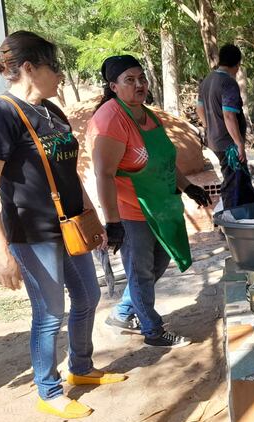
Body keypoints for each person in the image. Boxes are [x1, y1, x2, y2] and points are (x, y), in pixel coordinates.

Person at [0, 31, 126, 419]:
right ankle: (48, 389)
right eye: (55, 67)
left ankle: (81, 367)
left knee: (88, 296)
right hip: (31, 233)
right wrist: (1, 250)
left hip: (72, 227)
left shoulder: (53, 112)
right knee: (50, 313)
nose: (61, 75)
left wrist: (94, 216)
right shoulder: (4, 114)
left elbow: (68, 172)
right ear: (29, 68)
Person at [88, 55, 211, 348]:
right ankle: (153, 330)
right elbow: (104, 174)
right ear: (114, 86)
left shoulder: (147, 114)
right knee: (141, 272)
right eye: (130, 80)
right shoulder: (111, 119)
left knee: (159, 262)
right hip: (133, 210)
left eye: (141, 78)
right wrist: (113, 223)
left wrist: (188, 187)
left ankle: (122, 313)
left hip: (161, 208)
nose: (139, 84)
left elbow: (163, 161)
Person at [197, 44, 254, 209]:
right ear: (237, 64)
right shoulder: (228, 83)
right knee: (233, 185)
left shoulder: (206, 81)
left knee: (243, 182)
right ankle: (230, 225)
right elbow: (229, 115)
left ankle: (251, 219)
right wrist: (239, 143)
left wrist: (210, 127)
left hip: (215, 140)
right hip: (229, 145)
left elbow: (199, 108)